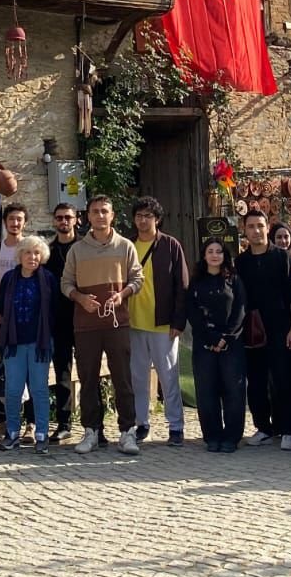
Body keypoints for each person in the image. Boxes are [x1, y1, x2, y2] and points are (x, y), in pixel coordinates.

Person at [61, 195, 144, 456]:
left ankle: (127, 431)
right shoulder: (77, 250)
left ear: (112, 215)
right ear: (87, 216)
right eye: (95, 211)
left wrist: (123, 294)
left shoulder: (126, 246)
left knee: (123, 378)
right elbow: (65, 283)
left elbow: (137, 279)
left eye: (104, 211)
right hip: (86, 326)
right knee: (87, 379)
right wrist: (80, 298)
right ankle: (91, 431)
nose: (99, 215)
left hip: (117, 323)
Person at [128, 196, 190, 447]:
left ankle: (176, 426)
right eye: (139, 216)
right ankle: (141, 423)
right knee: (138, 378)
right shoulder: (128, 245)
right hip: (133, 322)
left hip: (163, 323)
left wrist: (178, 321)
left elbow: (182, 285)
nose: (143, 220)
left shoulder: (170, 245)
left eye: (148, 216)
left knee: (168, 377)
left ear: (157, 219)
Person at [237, 209, 291, 450]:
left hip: (281, 329)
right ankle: (263, 427)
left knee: (283, 380)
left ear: (267, 227)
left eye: (260, 226)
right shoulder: (241, 262)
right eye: (251, 226)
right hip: (253, 330)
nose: (256, 231)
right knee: (256, 382)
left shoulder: (282, 258)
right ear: (245, 230)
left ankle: (287, 429)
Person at [187, 238, 247, 452]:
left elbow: (240, 310)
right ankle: (212, 436)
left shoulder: (234, 279)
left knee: (234, 391)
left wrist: (225, 337)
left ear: (224, 255)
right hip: (205, 344)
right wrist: (210, 338)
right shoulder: (196, 281)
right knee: (207, 391)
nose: (214, 255)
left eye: (219, 251)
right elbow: (192, 312)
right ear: (204, 255)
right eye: (210, 251)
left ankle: (231, 437)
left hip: (231, 343)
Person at [0, 234, 55, 454]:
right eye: (28, 252)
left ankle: (42, 434)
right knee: (12, 390)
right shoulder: (9, 278)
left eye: (37, 253)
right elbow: (1, 306)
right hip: (14, 343)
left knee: (39, 389)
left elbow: (54, 309)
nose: (33, 257)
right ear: (20, 255)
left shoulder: (48, 279)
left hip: (39, 343)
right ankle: (12, 433)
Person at [0, 201, 30, 438]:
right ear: (4, 222)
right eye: (11, 219)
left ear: (25, 223)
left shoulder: (31, 247)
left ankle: (31, 423)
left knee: (29, 370)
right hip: (1, 317)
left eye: (19, 219)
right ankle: (4, 422)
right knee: (1, 369)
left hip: (25, 318)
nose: (15, 223)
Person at [44, 203, 80, 440]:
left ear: (76, 220)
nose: (63, 221)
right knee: (62, 373)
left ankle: (94, 424)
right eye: (59, 218)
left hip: (83, 316)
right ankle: (64, 423)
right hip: (58, 320)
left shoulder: (86, 247)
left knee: (89, 371)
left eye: (68, 217)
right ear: (54, 221)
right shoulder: (48, 252)